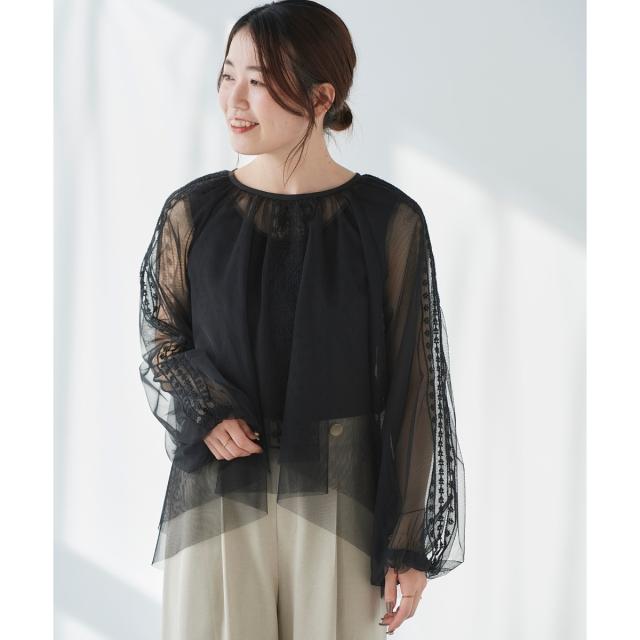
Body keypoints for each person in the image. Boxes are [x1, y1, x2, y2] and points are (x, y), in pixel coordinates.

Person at [138, 1, 465, 638]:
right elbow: (162, 339)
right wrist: (207, 410)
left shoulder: (388, 221)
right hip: (220, 499)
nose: (234, 99)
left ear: (321, 97)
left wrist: (408, 541)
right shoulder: (193, 213)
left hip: (341, 505)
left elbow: (416, 387)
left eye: (258, 81)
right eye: (227, 75)